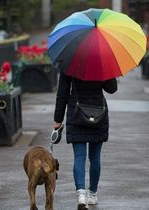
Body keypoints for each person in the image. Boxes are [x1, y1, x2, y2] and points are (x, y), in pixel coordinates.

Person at [53, 73, 117, 208]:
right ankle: (92, 194)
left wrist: (58, 120)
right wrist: (110, 73)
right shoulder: (102, 61)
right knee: (95, 157)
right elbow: (112, 88)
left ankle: (81, 194)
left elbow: (62, 93)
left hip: (76, 113)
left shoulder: (70, 61)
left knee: (79, 157)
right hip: (98, 112)